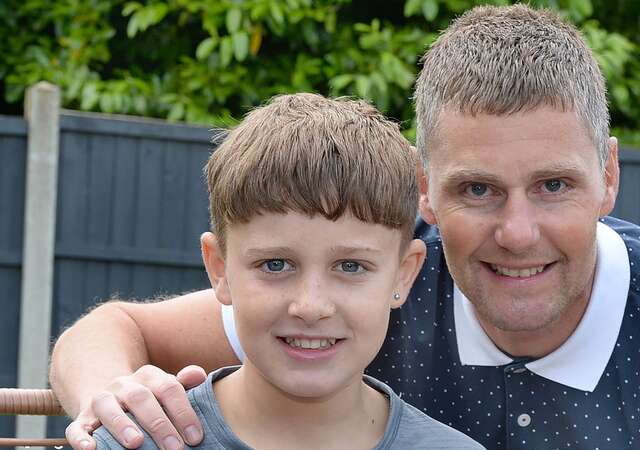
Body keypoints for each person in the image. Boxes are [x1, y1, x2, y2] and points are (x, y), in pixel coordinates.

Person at [51, 4, 640, 450]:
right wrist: (112, 401)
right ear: (424, 193)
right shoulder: (366, 293)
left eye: (554, 185)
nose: (518, 230)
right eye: (477, 189)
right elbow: (117, 329)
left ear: (610, 176)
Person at [90, 92, 483, 449]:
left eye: (350, 266)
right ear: (219, 268)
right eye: (275, 265)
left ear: (403, 275)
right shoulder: (132, 443)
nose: (310, 306)